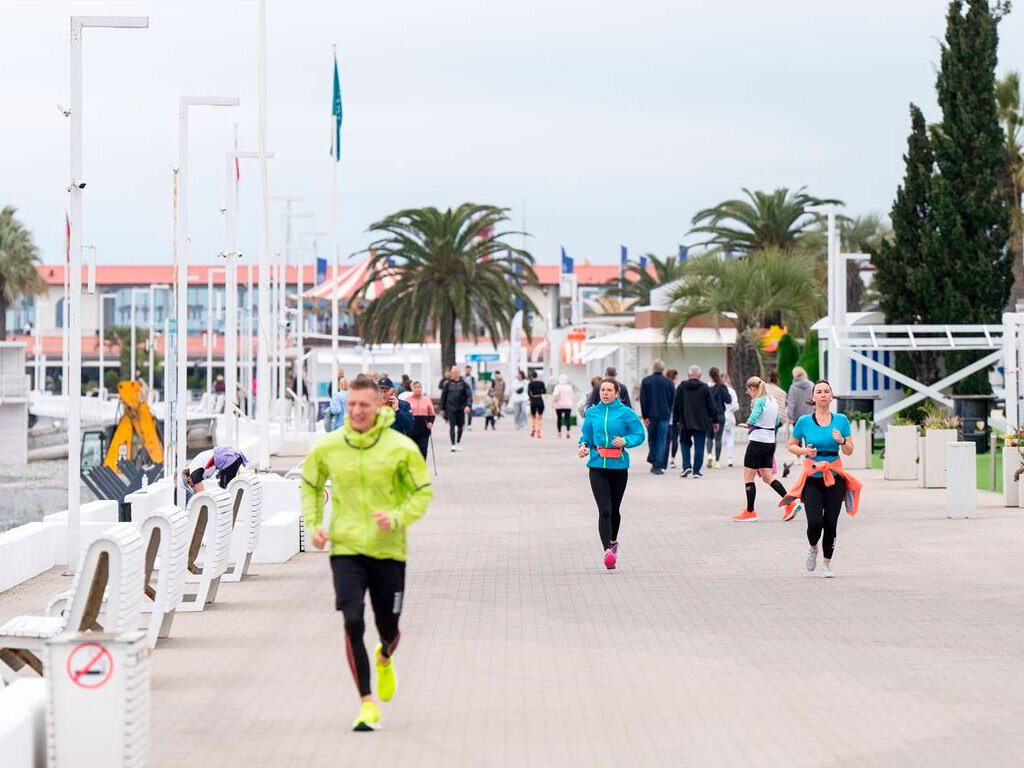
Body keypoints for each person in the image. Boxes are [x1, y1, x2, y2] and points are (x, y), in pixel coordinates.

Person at [301, 375, 434, 731]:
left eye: (364, 404)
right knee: (352, 620)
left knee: (387, 628)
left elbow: (422, 491)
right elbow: (310, 483)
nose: (357, 411)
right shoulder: (329, 446)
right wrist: (314, 524)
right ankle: (366, 702)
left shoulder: (400, 447)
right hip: (346, 547)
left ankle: (385, 656)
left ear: (378, 406)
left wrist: (397, 517)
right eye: (352, 404)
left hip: (389, 550)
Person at [785, 379, 859, 578]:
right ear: (813, 397)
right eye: (819, 391)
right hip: (813, 476)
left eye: (827, 391)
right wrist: (804, 450)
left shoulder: (841, 420)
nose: (823, 394)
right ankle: (812, 548)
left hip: (834, 476)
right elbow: (790, 444)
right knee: (815, 522)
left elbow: (850, 450)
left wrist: (842, 440)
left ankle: (827, 564)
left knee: (831, 522)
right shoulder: (804, 422)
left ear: (831, 396)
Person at [578, 378, 646, 570]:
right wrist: (582, 446)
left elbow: (639, 435)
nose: (605, 393)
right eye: (602, 390)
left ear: (617, 393)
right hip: (597, 466)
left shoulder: (626, 413)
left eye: (609, 390)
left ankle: (613, 541)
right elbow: (586, 437)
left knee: (615, 509)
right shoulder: (592, 413)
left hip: (618, 467)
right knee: (604, 510)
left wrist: (625, 441)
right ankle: (607, 551)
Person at [731, 376, 801, 522]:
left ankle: (750, 512)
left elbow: (755, 414)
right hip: (770, 442)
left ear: (754, 389)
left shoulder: (758, 401)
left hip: (757, 442)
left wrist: (748, 423)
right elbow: (776, 421)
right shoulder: (772, 401)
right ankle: (791, 502)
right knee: (768, 477)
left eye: (749, 389)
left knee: (748, 477)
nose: (747, 392)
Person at [672, 365, 716, 478]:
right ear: (700, 376)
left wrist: (676, 420)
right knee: (699, 446)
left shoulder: (682, 387)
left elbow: (676, 405)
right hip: (701, 423)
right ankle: (696, 471)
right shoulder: (705, 387)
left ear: (688, 375)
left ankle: (687, 466)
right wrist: (715, 421)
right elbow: (711, 406)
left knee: (684, 444)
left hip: (685, 422)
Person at [640, 359, 675, 474]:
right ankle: (659, 465)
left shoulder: (646, 381)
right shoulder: (669, 382)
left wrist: (644, 416)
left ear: (653, 368)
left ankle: (655, 462)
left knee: (652, 439)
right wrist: (669, 410)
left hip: (650, 415)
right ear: (663, 369)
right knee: (662, 439)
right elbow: (672, 399)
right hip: (665, 415)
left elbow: (643, 399)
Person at [179, 445, 249, 502]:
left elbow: (202, 496)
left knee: (225, 492)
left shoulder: (194, 474)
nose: (193, 486)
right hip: (233, 456)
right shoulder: (194, 467)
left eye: (191, 486)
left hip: (229, 458)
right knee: (226, 489)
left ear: (188, 479)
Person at [783, 366, 815, 477]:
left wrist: (790, 416)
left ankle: (798, 458)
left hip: (797, 417)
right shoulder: (811, 384)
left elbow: (791, 403)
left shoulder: (793, 387)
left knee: (796, 439)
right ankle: (809, 456)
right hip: (810, 416)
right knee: (809, 437)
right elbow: (814, 400)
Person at [440, 365, 472, 451]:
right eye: (451, 372)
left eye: (454, 373)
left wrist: (468, 406)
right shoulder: (447, 384)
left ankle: (458, 442)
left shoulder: (464, 384)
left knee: (460, 427)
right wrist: (442, 409)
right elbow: (443, 397)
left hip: (461, 408)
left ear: (458, 373)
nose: (452, 374)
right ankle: (453, 444)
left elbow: (469, 396)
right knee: (452, 426)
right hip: (450, 408)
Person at [705, 367, 732, 468]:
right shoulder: (721, 387)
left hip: (708, 416)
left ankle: (709, 455)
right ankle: (717, 461)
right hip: (720, 415)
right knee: (718, 439)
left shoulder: (706, 387)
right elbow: (728, 400)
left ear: (710, 375)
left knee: (709, 437)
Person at [405, 380, 435, 459]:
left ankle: (422, 467)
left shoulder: (427, 400)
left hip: (423, 428)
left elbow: (432, 414)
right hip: (411, 428)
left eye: (419, 387)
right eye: (415, 387)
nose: (417, 389)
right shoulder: (407, 400)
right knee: (412, 450)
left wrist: (430, 423)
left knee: (423, 449)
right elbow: (404, 413)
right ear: (412, 389)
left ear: (421, 388)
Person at [722, 373, 740, 467]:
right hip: (730, 416)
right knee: (730, 438)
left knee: (718, 438)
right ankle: (730, 459)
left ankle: (716, 458)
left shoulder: (718, 389)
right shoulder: (732, 391)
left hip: (721, 416)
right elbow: (735, 406)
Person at [551, 375, 575, 439]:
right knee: (567, 419)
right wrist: (571, 401)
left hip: (559, 405)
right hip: (568, 405)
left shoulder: (557, 387)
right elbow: (572, 395)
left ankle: (559, 433)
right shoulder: (569, 387)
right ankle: (568, 432)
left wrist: (553, 401)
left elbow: (555, 394)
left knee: (559, 419)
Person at [665, 369, 680, 468]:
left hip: (665, 417)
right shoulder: (677, 388)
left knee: (666, 440)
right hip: (675, 417)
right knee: (675, 439)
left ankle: (663, 459)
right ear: (674, 377)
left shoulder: (665, 387)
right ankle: (672, 459)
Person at [527, 370, 546, 438]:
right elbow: (544, 391)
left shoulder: (530, 384)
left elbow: (529, 392)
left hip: (533, 400)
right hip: (540, 400)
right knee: (540, 417)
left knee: (533, 416)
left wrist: (530, 397)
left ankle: (533, 428)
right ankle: (539, 431)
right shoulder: (541, 383)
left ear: (532, 376)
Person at [463, 364, 477, 430]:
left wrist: (473, 396)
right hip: (463, 397)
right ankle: (462, 424)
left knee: (470, 411)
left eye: (469, 369)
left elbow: (474, 388)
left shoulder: (473, 379)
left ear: (470, 370)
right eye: (466, 369)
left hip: (470, 397)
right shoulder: (462, 378)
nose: (467, 370)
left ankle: (469, 424)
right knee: (462, 411)